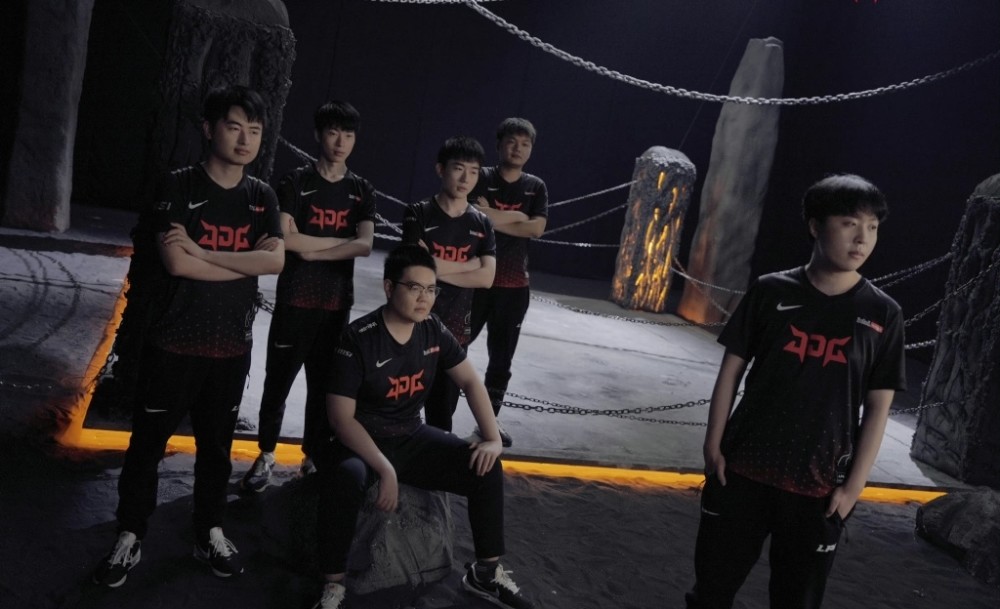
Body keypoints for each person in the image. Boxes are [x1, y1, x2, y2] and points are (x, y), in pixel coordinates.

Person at [92, 85, 285, 587]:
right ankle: (130, 534)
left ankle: (209, 531)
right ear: (209, 128)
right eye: (234, 127)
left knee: (217, 451)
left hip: (231, 348)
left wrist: (204, 252)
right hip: (173, 343)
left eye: (255, 130)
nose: (245, 139)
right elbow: (176, 263)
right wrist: (235, 262)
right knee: (147, 446)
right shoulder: (177, 185)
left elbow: (275, 262)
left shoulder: (261, 196)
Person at [684, 174, 906, 609]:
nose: (862, 238)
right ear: (815, 225)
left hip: (820, 488)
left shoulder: (883, 313)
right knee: (710, 592)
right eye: (849, 223)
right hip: (741, 471)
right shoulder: (771, 290)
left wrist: (853, 487)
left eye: (873, 226)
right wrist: (713, 445)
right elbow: (731, 371)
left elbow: (879, 407)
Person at [310, 244, 534, 609]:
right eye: (414, 287)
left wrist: (492, 438)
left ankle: (484, 573)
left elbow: (470, 381)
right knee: (347, 478)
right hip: (360, 442)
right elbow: (341, 418)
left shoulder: (432, 330)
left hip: (409, 436)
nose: (424, 298)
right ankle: (333, 584)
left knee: (485, 466)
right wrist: (385, 469)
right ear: (389, 287)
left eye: (431, 289)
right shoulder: (358, 338)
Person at [241, 101, 376, 491]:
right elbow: (287, 239)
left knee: (324, 387)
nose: (340, 142)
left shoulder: (361, 190)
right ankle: (266, 454)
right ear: (318, 135)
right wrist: (338, 243)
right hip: (295, 300)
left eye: (348, 135)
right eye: (333, 132)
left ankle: (313, 456)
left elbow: (365, 244)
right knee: (278, 382)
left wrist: (314, 249)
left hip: (335, 306)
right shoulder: (295, 181)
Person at [401, 136, 496, 432]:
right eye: (458, 168)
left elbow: (487, 278)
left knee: (442, 418)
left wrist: (433, 265)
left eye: (474, 171)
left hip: (454, 334)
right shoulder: (418, 212)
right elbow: (415, 269)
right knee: (399, 412)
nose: (466, 179)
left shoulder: (482, 223)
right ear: (440, 169)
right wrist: (469, 265)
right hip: (413, 327)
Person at [468, 118, 548, 446]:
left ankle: (489, 425)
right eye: (512, 142)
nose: (518, 149)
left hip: (514, 288)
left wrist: (493, 216)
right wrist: (517, 217)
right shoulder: (482, 177)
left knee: (501, 362)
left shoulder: (536, 186)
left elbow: (536, 229)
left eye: (525, 144)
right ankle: (434, 417)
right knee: (451, 350)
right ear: (499, 144)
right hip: (475, 281)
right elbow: (472, 216)